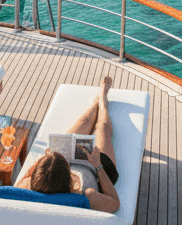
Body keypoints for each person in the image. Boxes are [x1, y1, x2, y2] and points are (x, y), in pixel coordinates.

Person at [18, 76, 120, 213]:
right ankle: (102, 101)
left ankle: (94, 103)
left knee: (84, 122)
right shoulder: (87, 195)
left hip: (57, 169)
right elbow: (115, 203)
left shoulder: (27, 187)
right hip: (97, 166)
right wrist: (98, 166)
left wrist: (44, 160)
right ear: (69, 178)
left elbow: (21, 182)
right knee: (102, 127)